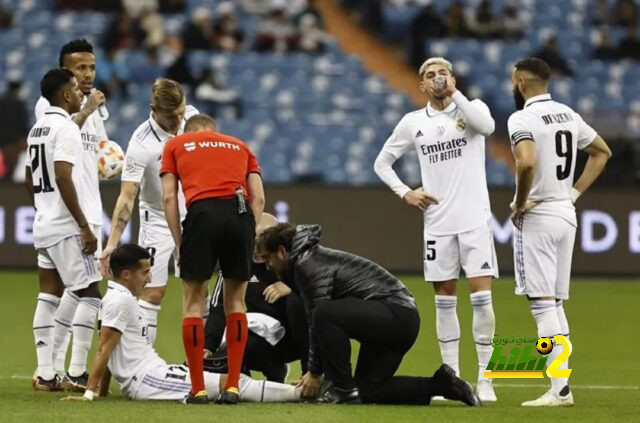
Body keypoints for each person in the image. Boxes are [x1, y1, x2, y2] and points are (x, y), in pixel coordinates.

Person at [373, 57, 498, 402]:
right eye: (430, 75)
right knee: (444, 302)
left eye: (443, 73)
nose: (437, 78)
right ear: (422, 85)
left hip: (474, 220)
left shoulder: (471, 109)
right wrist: (406, 192)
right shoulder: (413, 122)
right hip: (438, 224)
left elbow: (486, 128)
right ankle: (452, 380)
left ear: (452, 78)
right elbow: (381, 162)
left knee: (482, 300)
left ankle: (486, 380)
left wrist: (456, 94)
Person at [255, 223, 481, 406]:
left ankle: (342, 388)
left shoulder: (308, 264)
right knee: (370, 390)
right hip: (395, 319)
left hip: (396, 315)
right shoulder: (308, 260)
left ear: (283, 252)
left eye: (268, 258)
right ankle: (442, 384)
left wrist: (315, 372)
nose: (267, 266)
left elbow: (317, 317)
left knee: (323, 313)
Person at [61, 244, 301, 404]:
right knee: (232, 382)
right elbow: (105, 348)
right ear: (126, 275)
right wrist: (90, 394)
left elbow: (111, 349)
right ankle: (299, 393)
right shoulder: (121, 301)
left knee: (226, 378)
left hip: (153, 373)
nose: (149, 278)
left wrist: (101, 392)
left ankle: (295, 391)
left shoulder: (117, 298)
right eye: (144, 272)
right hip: (146, 380)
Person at [508, 57, 612, 407]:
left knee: (541, 305)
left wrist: (520, 201)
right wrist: (574, 194)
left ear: (521, 83)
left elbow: (527, 161)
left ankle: (559, 389)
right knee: (555, 302)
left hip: (538, 215)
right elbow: (602, 152)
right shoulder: (568, 114)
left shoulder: (521, 118)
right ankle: (561, 386)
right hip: (566, 213)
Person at [160, 114, 265, 404]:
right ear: (214, 131)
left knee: (194, 302)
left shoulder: (175, 144)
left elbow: (169, 198)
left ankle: (198, 388)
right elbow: (258, 198)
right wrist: (249, 233)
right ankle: (232, 387)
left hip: (202, 214)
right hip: (240, 215)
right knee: (235, 303)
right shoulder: (241, 146)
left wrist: (180, 243)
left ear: (190, 130)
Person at [100, 78, 199, 347]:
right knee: (152, 293)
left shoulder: (192, 119)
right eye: (171, 116)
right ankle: (142, 361)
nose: (179, 121)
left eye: (181, 112)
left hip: (194, 218)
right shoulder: (141, 143)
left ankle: (199, 367)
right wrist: (111, 244)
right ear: (153, 109)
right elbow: (127, 196)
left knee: (195, 292)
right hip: (157, 221)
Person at [34, 38, 108, 392]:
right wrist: (87, 110)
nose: (87, 75)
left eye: (92, 67)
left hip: (76, 210)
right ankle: (72, 368)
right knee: (88, 290)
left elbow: (97, 151)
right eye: (80, 69)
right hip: (73, 216)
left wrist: (112, 161)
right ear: (66, 73)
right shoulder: (49, 108)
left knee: (53, 291)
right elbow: (61, 160)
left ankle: (49, 369)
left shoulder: (91, 107)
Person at [205, 213, 309, 382]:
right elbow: (219, 308)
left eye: (266, 236)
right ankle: (271, 370)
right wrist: (208, 345)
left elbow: (318, 299)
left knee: (297, 301)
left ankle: (309, 374)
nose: (261, 243)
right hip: (258, 336)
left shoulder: (294, 260)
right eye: (256, 236)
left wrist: (292, 287)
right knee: (242, 343)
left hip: (293, 338)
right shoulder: (234, 265)